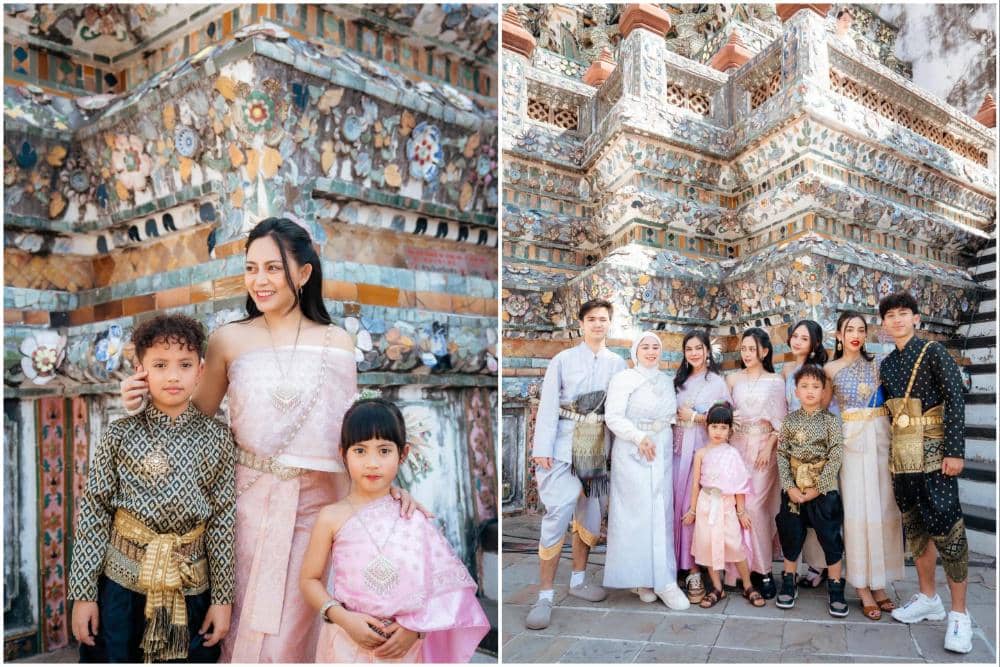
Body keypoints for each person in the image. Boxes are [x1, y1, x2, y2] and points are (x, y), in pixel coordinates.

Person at [118, 218, 422, 662]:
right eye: (251, 268)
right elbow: (190, 424)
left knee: (292, 638)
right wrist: (138, 404)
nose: (260, 280)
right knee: (237, 629)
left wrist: (387, 490)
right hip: (241, 510)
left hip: (314, 512)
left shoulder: (336, 342)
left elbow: (349, 439)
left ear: (303, 273)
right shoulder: (228, 340)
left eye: (273, 268)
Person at [69, 314, 235, 662]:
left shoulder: (217, 437)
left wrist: (222, 599)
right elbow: (93, 513)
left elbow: (223, 523)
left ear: (201, 370)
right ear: (140, 368)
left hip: (190, 586)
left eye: (184, 365)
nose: (173, 375)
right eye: (160, 364)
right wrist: (84, 593)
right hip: (121, 587)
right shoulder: (119, 433)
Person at [300, 399, 489, 662]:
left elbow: (447, 587)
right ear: (343, 453)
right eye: (360, 451)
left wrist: (416, 630)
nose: (372, 463)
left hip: (403, 646)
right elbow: (309, 580)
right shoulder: (331, 517)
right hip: (345, 641)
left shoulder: (412, 516)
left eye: (384, 451)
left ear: (403, 454)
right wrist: (343, 618)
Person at [525, 299, 627, 630]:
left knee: (590, 512)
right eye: (592, 319)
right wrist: (542, 448)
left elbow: (621, 409)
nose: (598, 324)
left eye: (603, 319)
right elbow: (549, 402)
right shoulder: (563, 360)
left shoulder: (617, 363)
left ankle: (579, 580)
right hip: (563, 445)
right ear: (581, 324)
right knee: (558, 512)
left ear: (609, 324)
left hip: (597, 445)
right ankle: (544, 595)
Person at [878, 292, 971, 653]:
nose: (898, 320)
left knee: (948, 530)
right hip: (903, 458)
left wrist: (954, 451)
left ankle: (960, 615)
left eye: (904, 314)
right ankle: (929, 598)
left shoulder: (933, 352)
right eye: (891, 316)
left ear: (916, 318)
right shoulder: (887, 365)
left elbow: (955, 397)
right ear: (884, 324)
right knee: (916, 528)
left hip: (936, 457)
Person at [825, 311, 903, 621]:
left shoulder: (877, 364)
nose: (855, 334)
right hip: (851, 442)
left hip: (881, 439)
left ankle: (880, 583)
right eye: (849, 329)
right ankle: (861, 587)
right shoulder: (829, 369)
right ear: (839, 335)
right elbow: (822, 408)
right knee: (858, 512)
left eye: (861, 329)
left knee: (884, 509)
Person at [604, 331, 688, 609]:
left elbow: (670, 416)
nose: (651, 351)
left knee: (660, 514)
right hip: (632, 452)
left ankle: (664, 579)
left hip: (661, 450)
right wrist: (639, 438)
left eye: (656, 347)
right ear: (636, 351)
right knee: (636, 516)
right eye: (646, 347)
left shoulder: (666, 381)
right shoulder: (624, 379)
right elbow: (613, 416)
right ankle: (640, 578)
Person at [774, 366, 848, 617]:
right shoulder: (789, 421)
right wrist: (790, 487)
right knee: (791, 534)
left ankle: (836, 586)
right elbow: (782, 455)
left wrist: (819, 487)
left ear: (824, 391)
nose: (810, 391)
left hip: (823, 491)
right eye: (804, 386)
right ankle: (788, 579)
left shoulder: (830, 422)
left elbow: (836, 455)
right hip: (794, 490)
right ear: (796, 391)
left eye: (815, 387)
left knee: (830, 536)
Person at [683, 402, 763, 609]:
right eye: (714, 427)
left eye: (723, 427)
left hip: (726, 505)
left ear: (730, 429)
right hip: (706, 504)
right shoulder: (700, 453)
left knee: (735, 545)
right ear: (707, 427)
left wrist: (741, 511)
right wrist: (692, 510)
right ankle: (717, 588)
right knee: (708, 546)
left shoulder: (732, 454)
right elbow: (695, 485)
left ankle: (747, 584)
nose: (718, 432)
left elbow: (740, 485)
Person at [672, 330, 731, 603]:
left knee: (695, 506)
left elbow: (723, 417)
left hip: (702, 449)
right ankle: (678, 565)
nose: (694, 353)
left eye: (699, 348)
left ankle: (696, 567)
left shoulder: (717, 382)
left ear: (708, 350)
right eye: (689, 349)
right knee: (677, 505)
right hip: (676, 450)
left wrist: (695, 416)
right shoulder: (679, 382)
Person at [726, 327, 786, 598]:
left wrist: (769, 447)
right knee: (736, 506)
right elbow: (723, 415)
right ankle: (741, 569)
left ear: (764, 351)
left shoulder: (775, 381)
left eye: (752, 349)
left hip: (764, 450)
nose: (747, 354)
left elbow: (781, 423)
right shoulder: (732, 379)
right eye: (744, 349)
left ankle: (764, 571)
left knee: (755, 507)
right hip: (736, 448)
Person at [781, 320, 831, 590]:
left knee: (815, 506)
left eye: (805, 337)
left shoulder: (819, 373)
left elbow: (823, 411)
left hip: (812, 444)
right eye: (795, 336)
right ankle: (792, 564)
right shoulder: (787, 369)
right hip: (789, 441)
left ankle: (819, 564)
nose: (798, 341)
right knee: (793, 507)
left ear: (815, 343)